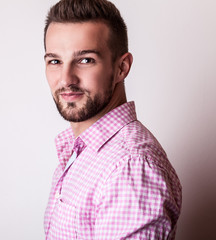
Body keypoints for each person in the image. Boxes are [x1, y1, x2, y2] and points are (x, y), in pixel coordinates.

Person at [43, 0, 182, 239]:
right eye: (55, 61)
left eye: (85, 60)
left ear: (122, 67)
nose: (66, 79)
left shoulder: (130, 167)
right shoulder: (81, 153)